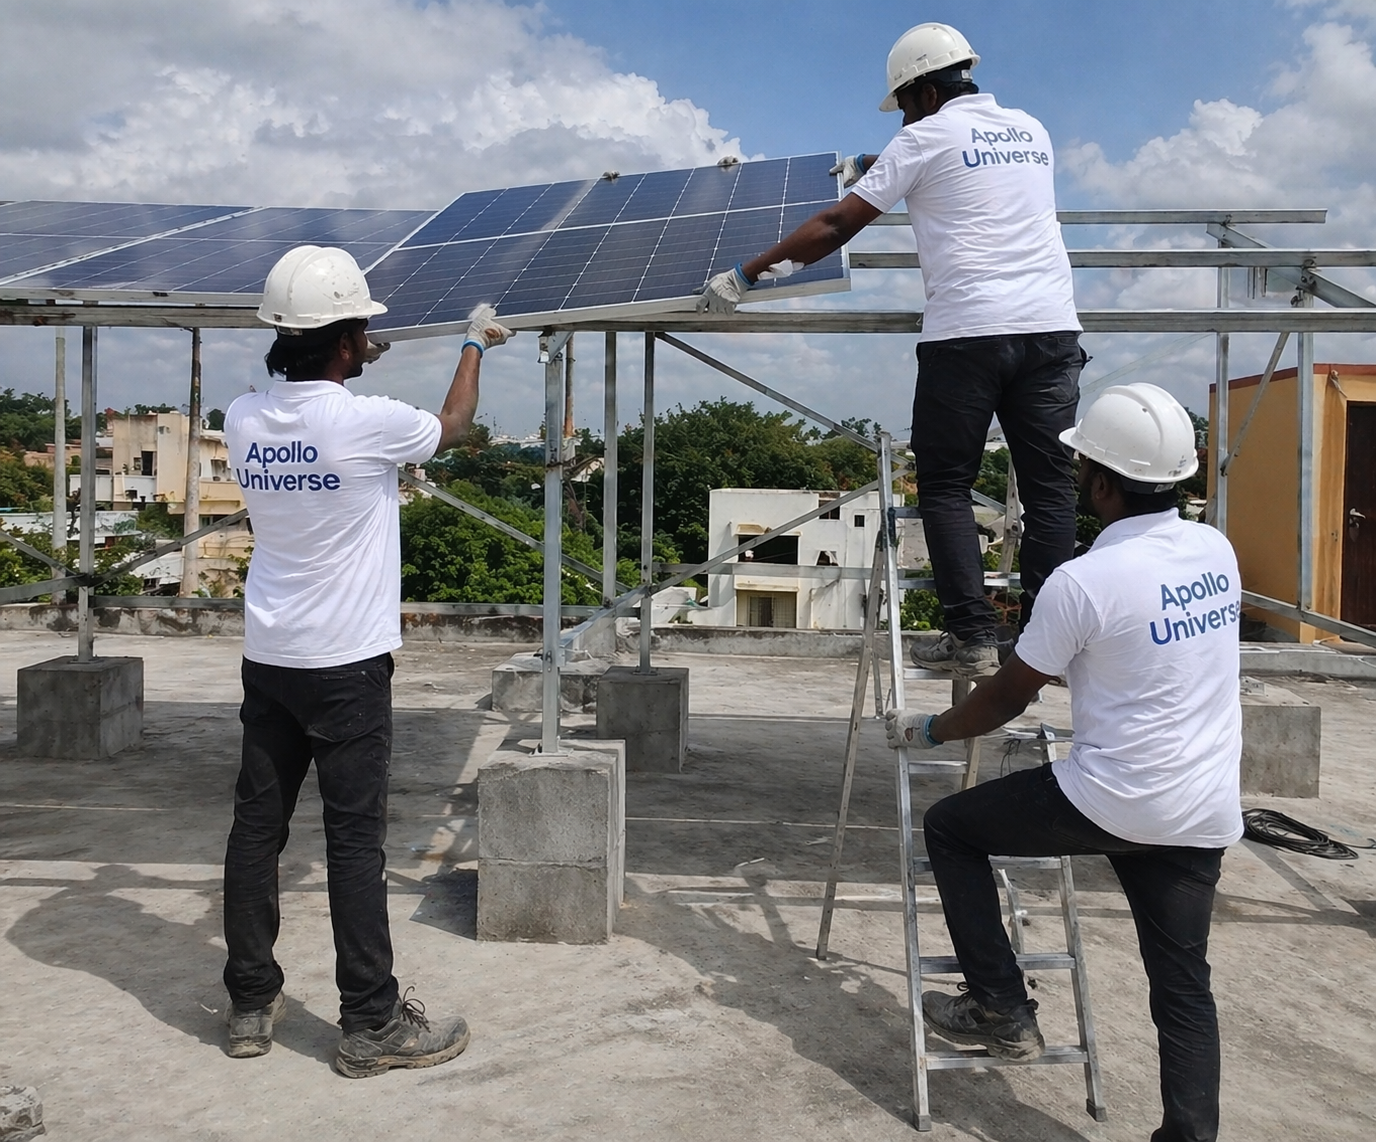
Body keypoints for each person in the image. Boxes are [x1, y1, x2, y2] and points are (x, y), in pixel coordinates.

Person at [886, 383, 1241, 1142]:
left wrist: (930, 729)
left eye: (1083, 466)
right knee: (1183, 988)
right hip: (1202, 806)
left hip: (1113, 796)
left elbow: (1005, 700)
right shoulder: (1216, 550)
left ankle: (1001, 1009)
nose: (1077, 477)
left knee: (951, 828)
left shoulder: (1085, 581)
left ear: (1104, 483)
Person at [699, 22, 1085, 676]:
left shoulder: (924, 135)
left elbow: (836, 224)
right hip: (1052, 331)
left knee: (943, 484)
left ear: (926, 91)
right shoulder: (1030, 129)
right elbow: (965, 166)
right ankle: (1047, 645)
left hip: (968, 336)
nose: (902, 119)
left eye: (904, 106)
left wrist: (747, 272)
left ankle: (971, 638)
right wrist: (880, 166)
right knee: (1051, 492)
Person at [221, 245, 512, 1077]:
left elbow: (311, 394)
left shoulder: (243, 417)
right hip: (346, 664)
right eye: (362, 330)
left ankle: (249, 1003)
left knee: (256, 828)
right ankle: (371, 1023)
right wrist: (474, 344)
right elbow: (450, 428)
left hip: (270, 655)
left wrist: (345, 351)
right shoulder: (365, 421)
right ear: (346, 339)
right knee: (353, 844)